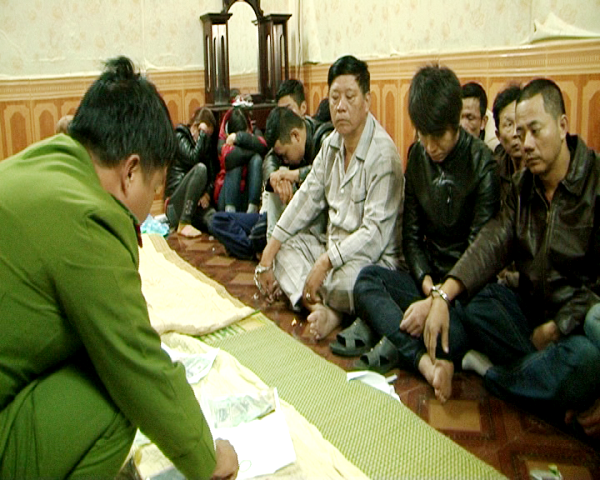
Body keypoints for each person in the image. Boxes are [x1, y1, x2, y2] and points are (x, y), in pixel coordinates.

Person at [0, 56, 238, 479]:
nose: (151, 202)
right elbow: (138, 364)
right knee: (118, 396)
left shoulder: (47, 159)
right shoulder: (89, 217)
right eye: (155, 186)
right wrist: (209, 460)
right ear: (130, 172)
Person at [423, 78, 600, 430]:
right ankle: (549, 387)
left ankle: (496, 375)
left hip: (577, 326)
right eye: (520, 133)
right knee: (477, 299)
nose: (526, 144)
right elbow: (492, 243)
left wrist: (558, 327)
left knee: (586, 360)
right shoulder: (522, 187)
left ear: (562, 125)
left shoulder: (594, 181)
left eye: (535, 130)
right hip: (530, 318)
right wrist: (444, 294)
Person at [348, 65, 500, 403]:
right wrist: (427, 287)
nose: (431, 147)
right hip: (427, 281)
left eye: (439, 136)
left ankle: (408, 341)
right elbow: (412, 237)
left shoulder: (483, 165)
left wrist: (439, 301)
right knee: (366, 281)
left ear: (456, 122)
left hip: (465, 294)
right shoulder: (417, 157)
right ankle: (426, 362)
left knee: (457, 327)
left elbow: (478, 254)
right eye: (423, 135)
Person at [254, 55, 404, 341]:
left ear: (367, 101)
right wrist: (267, 256)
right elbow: (306, 197)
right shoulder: (331, 144)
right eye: (334, 98)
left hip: (369, 263)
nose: (340, 106)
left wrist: (324, 263)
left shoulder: (383, 155)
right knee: (284, 249)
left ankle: (324, 307)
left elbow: (373, 235)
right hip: (330, 249)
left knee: (354, 285)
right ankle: (322, 308)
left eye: (350, 97)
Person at [164, 107, 218, 238]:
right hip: (176, 204)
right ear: (195, 126)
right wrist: (202, 135)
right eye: (203, 133)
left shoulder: (204, 143)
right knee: (201, 169)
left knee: (214, 219)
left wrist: (207, 194)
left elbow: (212, 175)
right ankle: (184, 223)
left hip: (195, 205)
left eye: (208, 135)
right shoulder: (180, 136)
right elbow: (194, 158)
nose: (206, 138)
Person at [214, 107, 267, 213]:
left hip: (247, 192)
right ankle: (230, 214)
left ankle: (252, 210)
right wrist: (252, 149)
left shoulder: (254, 130)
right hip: (227, 195)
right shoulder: (222, 138)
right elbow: (229, 158)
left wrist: (239, 137)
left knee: (256, 160)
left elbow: (263, 147)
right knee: (236, 162)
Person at [492, 84, 524, 201]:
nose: (515, 133)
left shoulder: (544, 169)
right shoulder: (492, 173)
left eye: (520, 123)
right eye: (509, 124)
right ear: (498, 136)